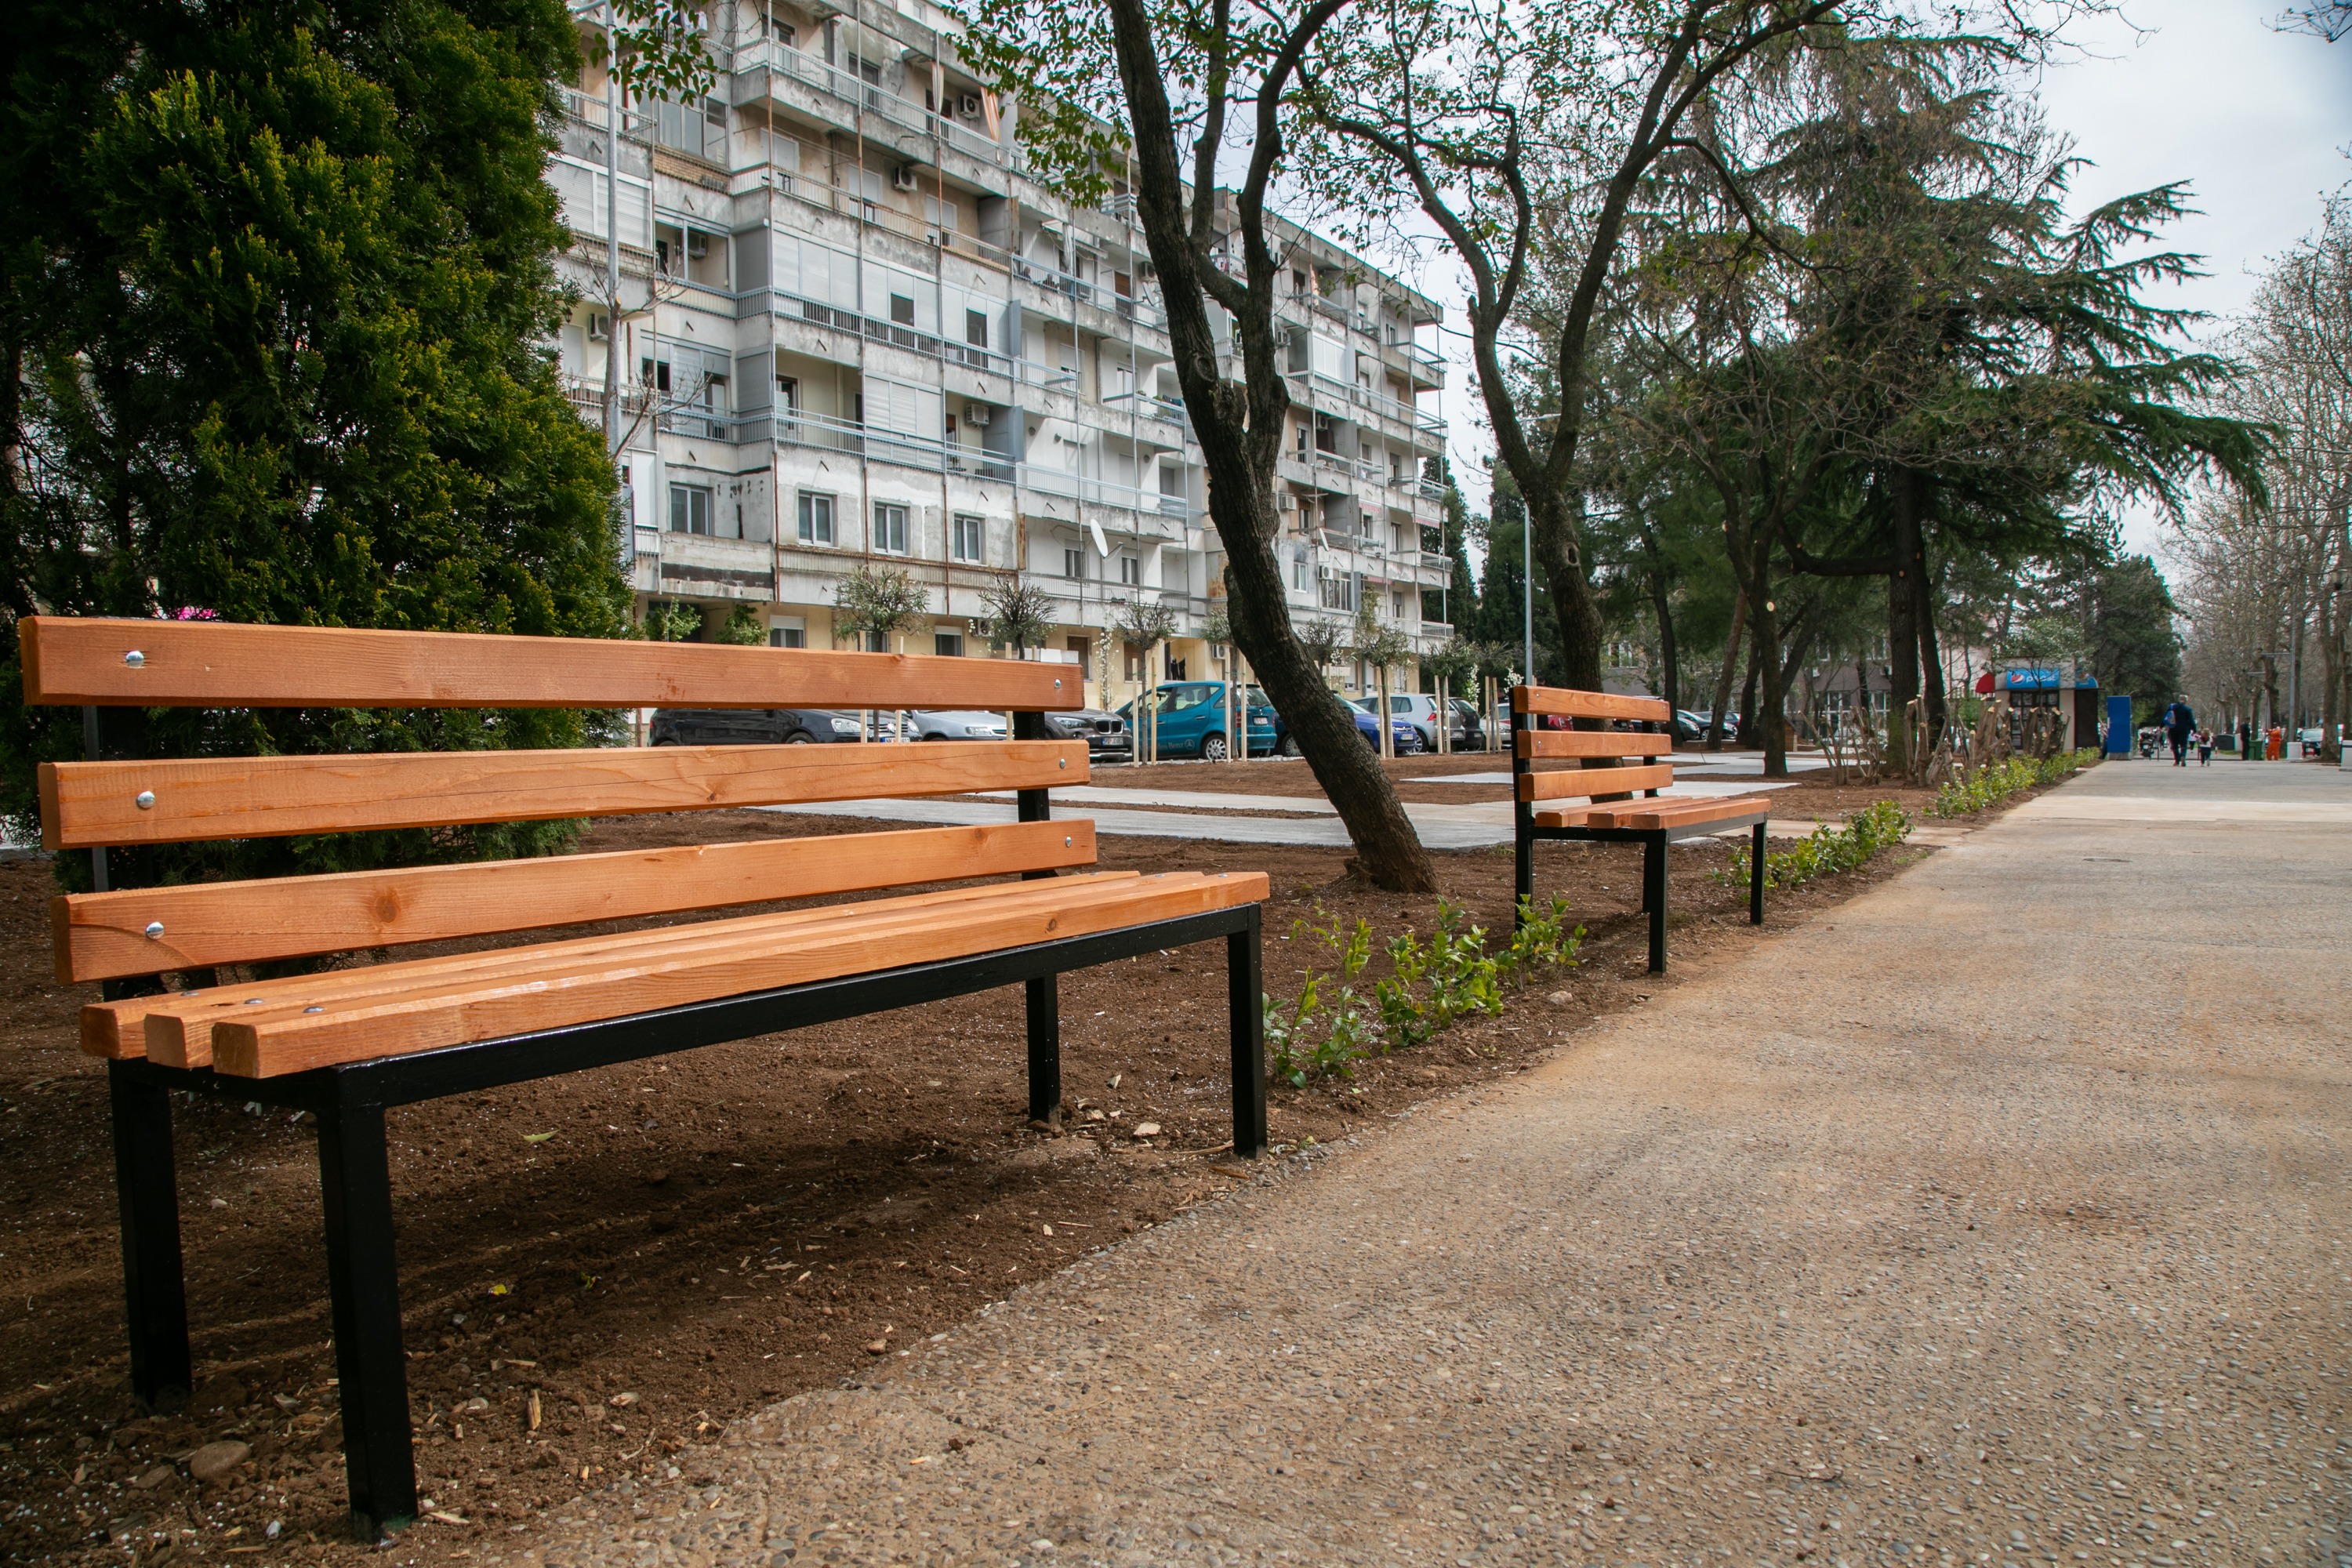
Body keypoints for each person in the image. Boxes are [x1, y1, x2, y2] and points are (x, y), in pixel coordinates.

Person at [2158, 698, 2196, 766]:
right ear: (2185, 701)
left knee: (2174, 745)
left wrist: (2161, 726)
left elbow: (2166, 717)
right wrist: (2194, 729)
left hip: (2173, 728)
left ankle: (2177, 760)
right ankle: (2182, 756)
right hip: (2184, 729)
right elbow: (2191, 720)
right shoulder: (2187, 709)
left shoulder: (2172, 707)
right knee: (2183, 744)